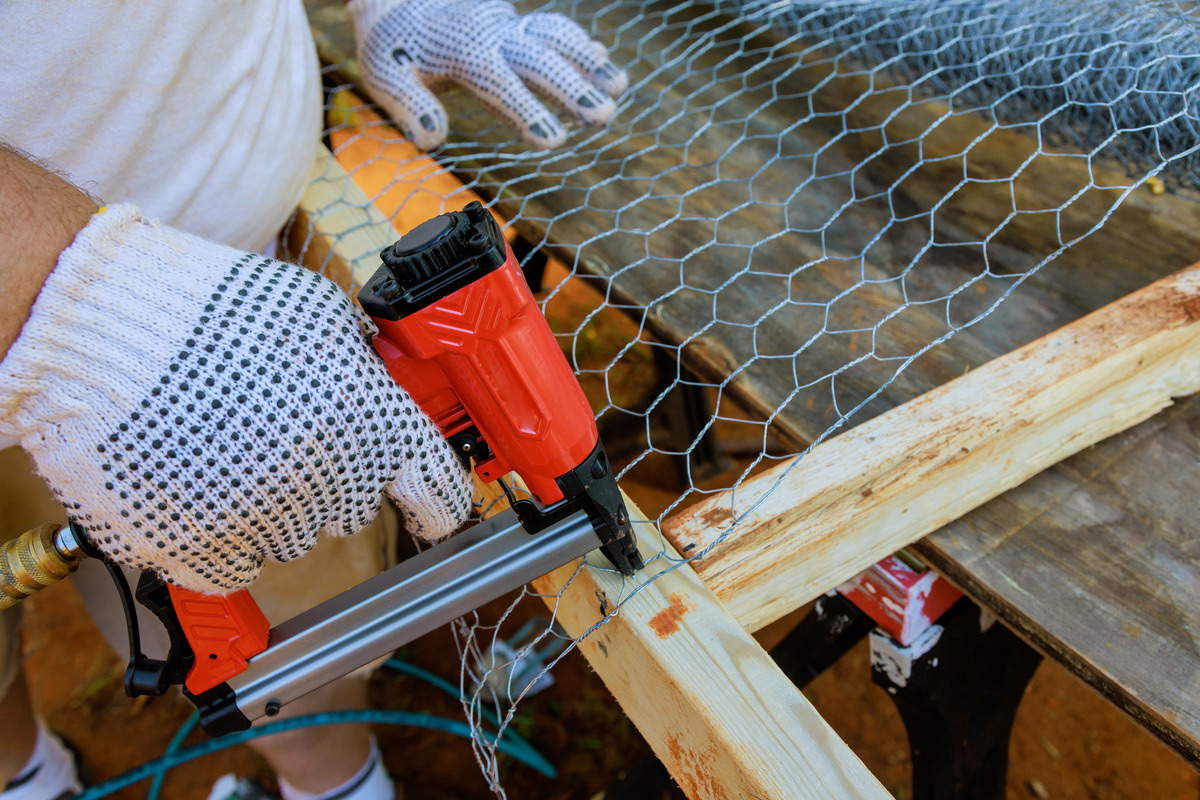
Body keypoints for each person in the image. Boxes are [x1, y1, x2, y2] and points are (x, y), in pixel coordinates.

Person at [0, 2, 628, 799]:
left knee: (286, 636)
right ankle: (22, 777)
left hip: (233, 322)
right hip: (169, 350)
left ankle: (333, 781)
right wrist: (77, 311)